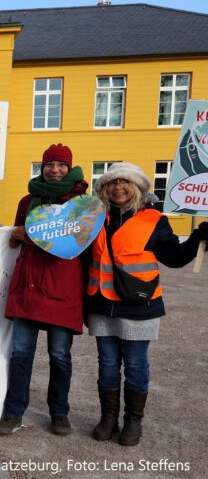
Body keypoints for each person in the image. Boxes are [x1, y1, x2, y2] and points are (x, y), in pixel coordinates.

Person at [85, 162, 208, 446]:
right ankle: (108, 417)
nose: (118, 187)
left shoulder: (154, 219)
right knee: (107, 364)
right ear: (104, 189)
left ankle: (133, 421)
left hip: (140, 305)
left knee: (137, 365)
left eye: (125, 182)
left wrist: (198, 238)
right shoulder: (93, 218)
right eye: (112, 183)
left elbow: (174, 258)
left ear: (137, 188)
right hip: (102, 303)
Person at [0, 143, 88, 437]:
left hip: (63, 287)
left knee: (60, 355)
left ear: (70, 167)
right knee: (20, 353)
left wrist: (30, 237)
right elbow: (17, 234)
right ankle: (13, 412)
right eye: (49, 165)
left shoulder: (83, 203)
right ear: (42, 168)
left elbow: (81, 244)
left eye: (61, 165)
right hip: (29, 285)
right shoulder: (28, 200)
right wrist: (17, 233)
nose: (55, 170)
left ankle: (59, 413)